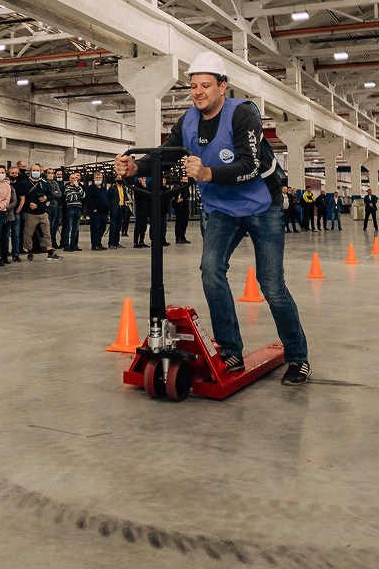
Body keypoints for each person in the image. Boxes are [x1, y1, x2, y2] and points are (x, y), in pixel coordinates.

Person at [114, 51, 310, 386]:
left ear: (222, 86)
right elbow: (168, 152)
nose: (198, 91)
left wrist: (205, 172)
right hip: (220, 208)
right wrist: (137, 166)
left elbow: (248, 164)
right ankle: (231, 348)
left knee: (271, 284)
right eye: (193, 85)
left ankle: (298, 357)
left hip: (262, 205)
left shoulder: (243, 114)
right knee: (211, 271)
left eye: (205, 84)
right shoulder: (188, 120)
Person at [84, 171, 110, 251]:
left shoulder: (103, 188)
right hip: (96, 212)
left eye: (100, 177)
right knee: (95, 228)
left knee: (102, 228)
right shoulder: (90, 188)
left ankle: (99, 243)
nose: (98, 179)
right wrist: (93, 209)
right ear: (94, 178)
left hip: (104, 212)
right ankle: (94, 245)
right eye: (97, 177)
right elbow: (88, 199)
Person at [62, 172, 85, 251]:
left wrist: (77, 187)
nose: (74, 179)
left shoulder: (79, 187)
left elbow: (83, 195)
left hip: (78, 208)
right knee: (68, 227)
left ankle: (73, 245)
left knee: (76, 228)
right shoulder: (67, 187)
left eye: (76, 178)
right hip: (70, 208)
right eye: (72, 178)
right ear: (69, 179)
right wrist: (78, 195)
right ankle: (66, 245)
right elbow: (69, 197)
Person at [107, 178, 130, 248]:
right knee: (113, 226)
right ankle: (111, 243)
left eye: (121, 178)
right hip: (114, 209)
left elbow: (124, 197)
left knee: (118, 226)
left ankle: (116, 242)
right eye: (118, 178)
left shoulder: (123, 188)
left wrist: (126, 201)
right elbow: (109, 198)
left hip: (121, 208)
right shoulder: (112, 188)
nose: (120, 179)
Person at [172, 180, 192, 244]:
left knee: (185, 223)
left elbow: (188, 196)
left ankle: (183, 237)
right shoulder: (178, 186)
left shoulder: (186, 187)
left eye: (186, 179)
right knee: (179, 223)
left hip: (185, 207)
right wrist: (178, 200)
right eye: (184, 179)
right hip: (179, 208)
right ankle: (178, 238)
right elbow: (175, 195)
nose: (185, 181)